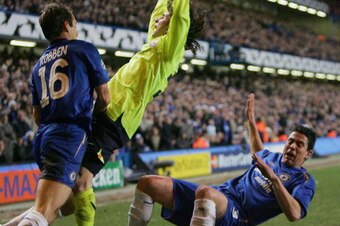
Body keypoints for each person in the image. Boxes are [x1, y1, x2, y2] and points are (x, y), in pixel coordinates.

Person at [3, 0, 205, 225]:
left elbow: (180, 19)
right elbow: (159, 14)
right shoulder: (155, 45)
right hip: (103, 114)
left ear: (175, 29)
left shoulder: (169, 53)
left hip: (113, 119)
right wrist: (165, 5)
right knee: (64, 195)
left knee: (81, 181)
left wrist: (176, 7)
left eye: (165, 19)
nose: (158, 19)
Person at [127, 93, 316, 226]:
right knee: (148, 183)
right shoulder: (271, 157)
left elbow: (295, 214)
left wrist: (274, 180)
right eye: (290, 141)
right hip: (220, 197)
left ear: (308, 153)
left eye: (299, 144)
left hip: (239, 216)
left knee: (206, 194)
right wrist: (250, 122)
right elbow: (258, 150)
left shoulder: (304, 181)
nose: (292, 146)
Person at [13, 3, 110, 225]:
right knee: (44, 209)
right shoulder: (83, 49)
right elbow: (104, 96)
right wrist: (95, 123)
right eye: (74, 22)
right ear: (67, 24)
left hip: (44, 139)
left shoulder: (38, 65)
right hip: (67, 136)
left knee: (61, 205)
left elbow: (37, 116)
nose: (76, 27)